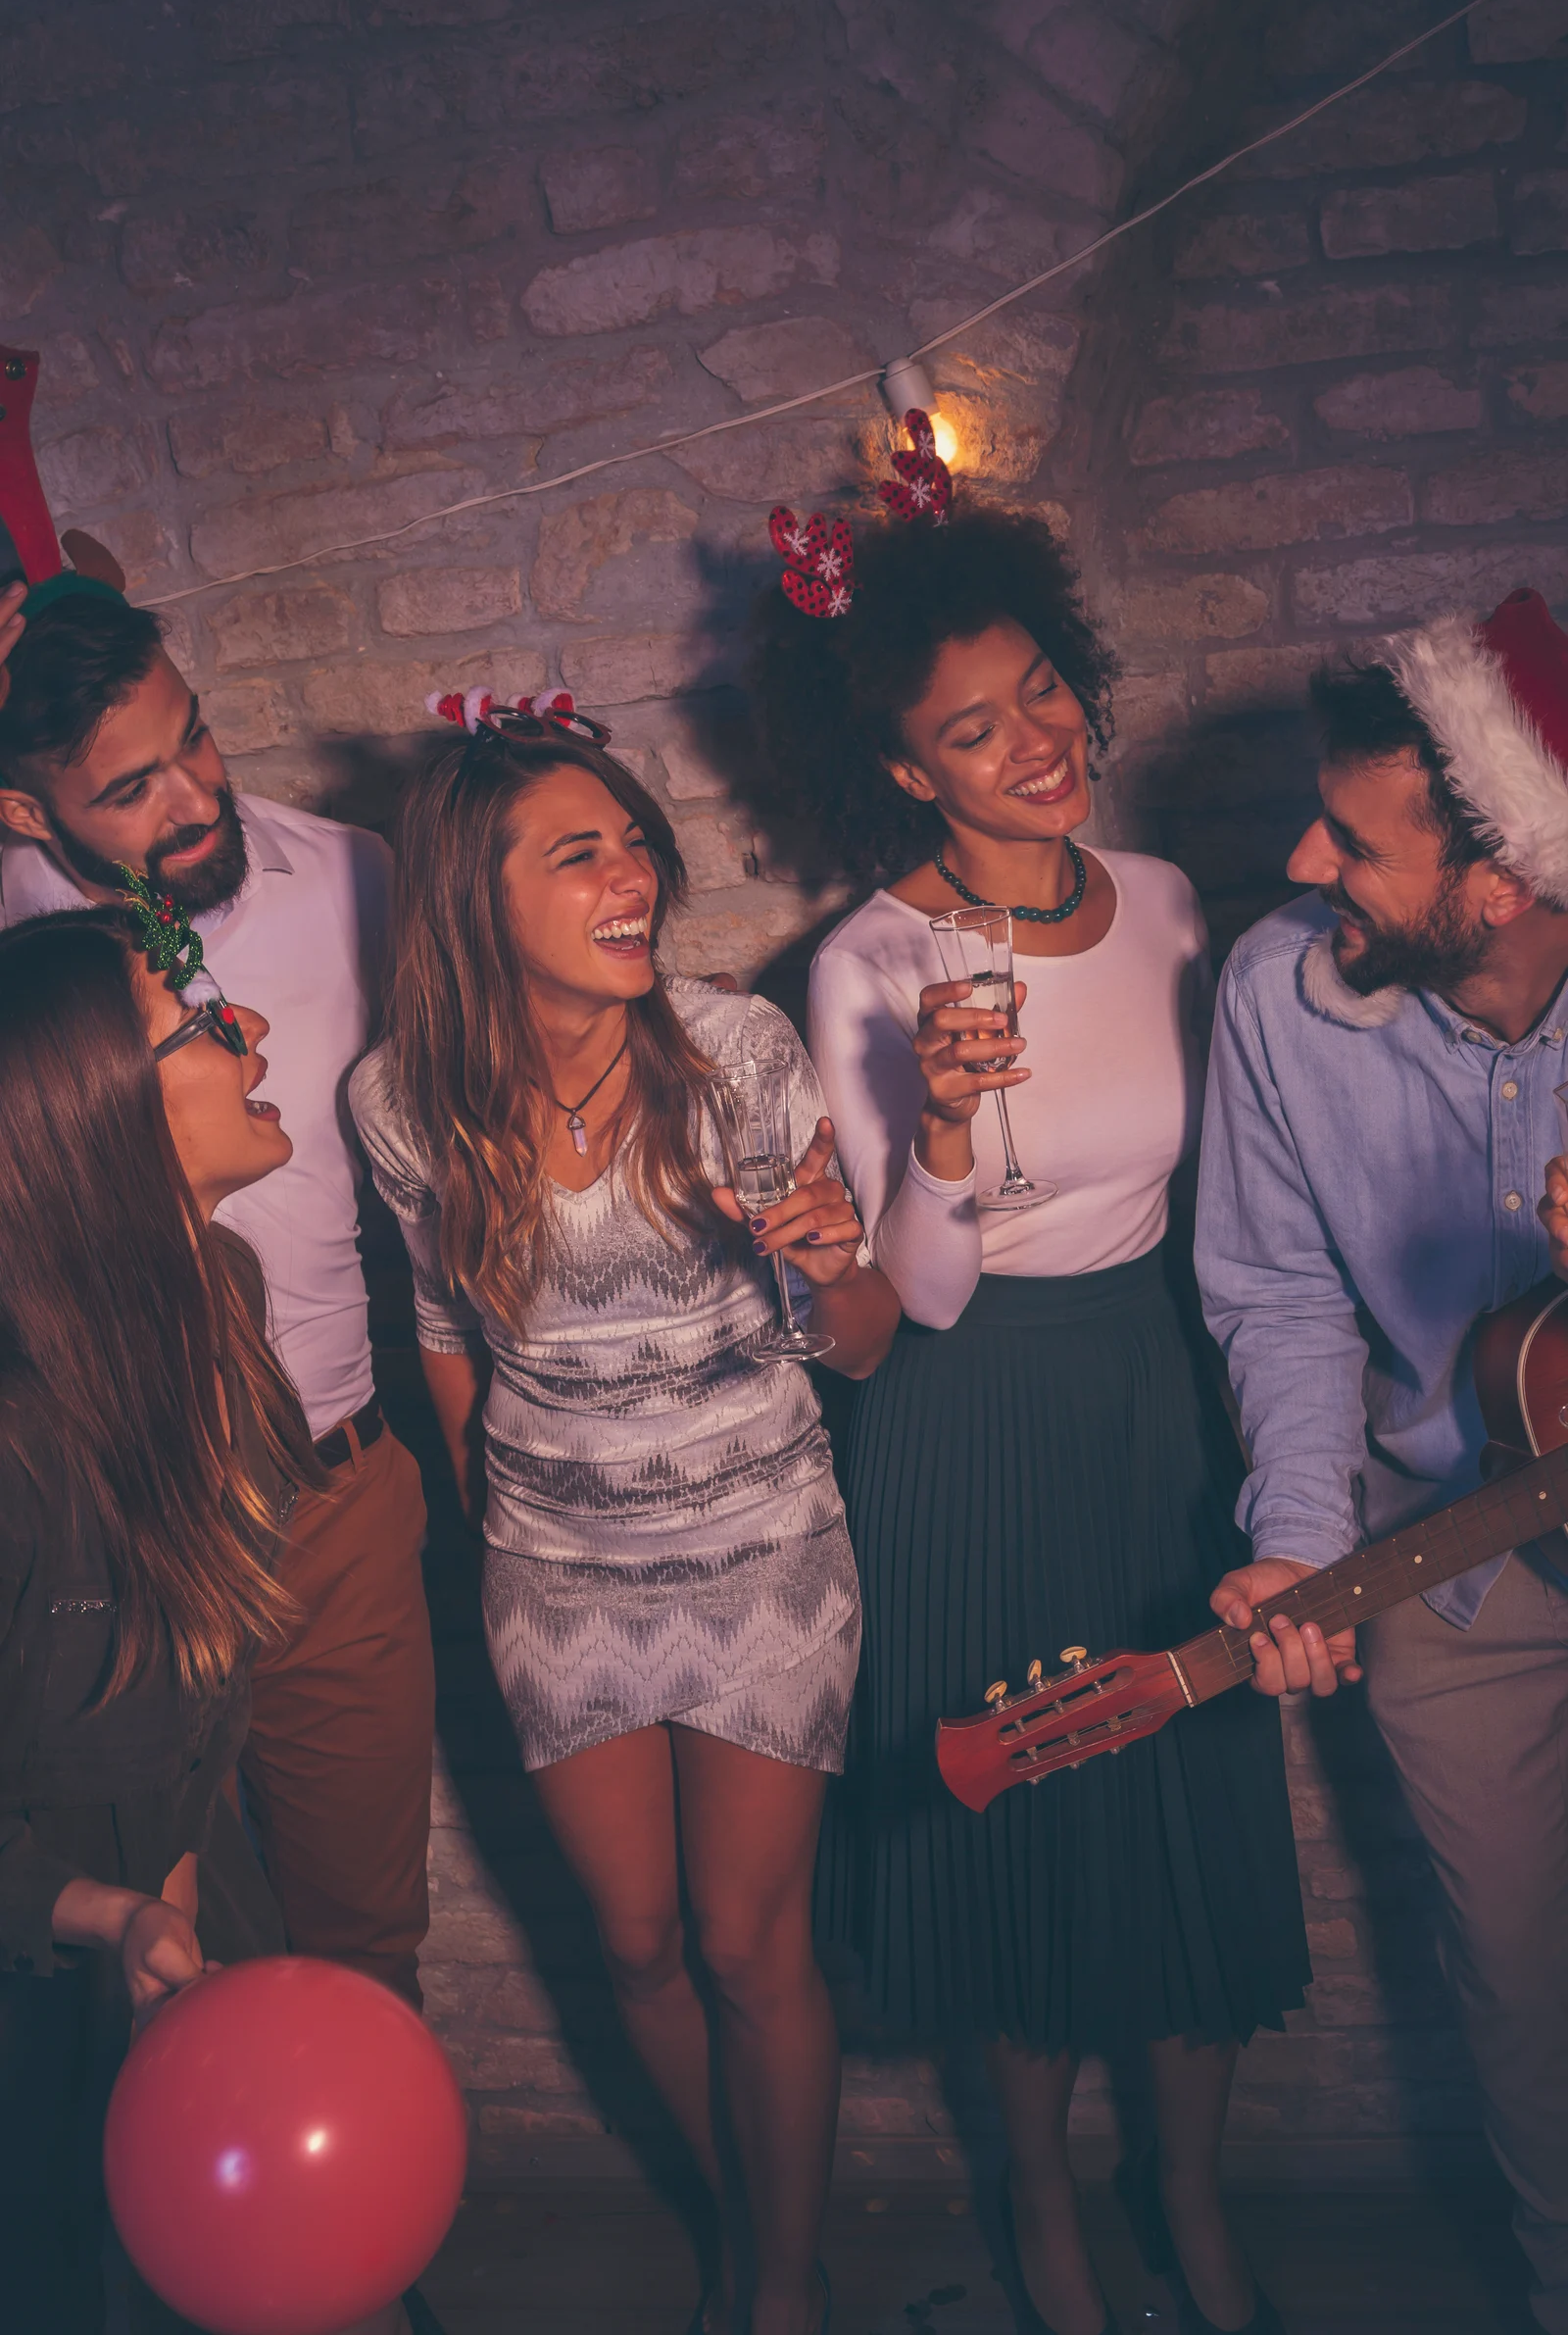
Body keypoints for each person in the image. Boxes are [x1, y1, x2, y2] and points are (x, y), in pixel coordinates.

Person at [747, 499, 1307, 2335]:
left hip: (1153, 1398)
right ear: (909, 767)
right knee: (1027, 1805)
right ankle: (1047, 2203)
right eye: (974, 728)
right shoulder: (866, 964)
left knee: (1184, 1788)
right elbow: (913, 1301)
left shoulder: (1168, 901)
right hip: (968, 1420)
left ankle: (1191, 2195)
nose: (1036, 741)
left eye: (1044, 688)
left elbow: (1232, 1202)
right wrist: (943, 1130)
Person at [347, 698, 900, 2335]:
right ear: (476, 892)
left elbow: (866, 1343)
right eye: (580, 852)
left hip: (762, 1558)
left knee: (745, 1946)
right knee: (641, 1946)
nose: (634, 875)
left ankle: (780, 2293)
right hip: (555, 1580)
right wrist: (493, 1513)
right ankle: (748, 2223)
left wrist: (833, 1266)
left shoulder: (737, 1052)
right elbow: (442, 1327)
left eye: (636, 842)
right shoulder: (400, 1098)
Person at [1197, 587, 1568, 2335]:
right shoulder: (1274, 996)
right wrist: (1296, 1536)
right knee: (1521, 1985)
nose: (1302, 860)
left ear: (1498, 882)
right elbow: (1276, 1294)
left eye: (1353, 839)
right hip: (1457, 1560)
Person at [0, 575, 434, 2010]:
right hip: (101, 1520)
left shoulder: (359, 878)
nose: (195, 797)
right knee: (146, 1943)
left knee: (352, 1946)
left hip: (323, 1483)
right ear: (24, 809)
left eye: (192, 736)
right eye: (130, 788)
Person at [0, 903, 369, 2330]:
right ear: (101, 1115)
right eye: (200, 1025)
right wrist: (106, 1911)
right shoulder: (17, 1439)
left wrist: (178, 1876)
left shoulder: (224, 1289)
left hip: (190, 1870)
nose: (251, 1030)